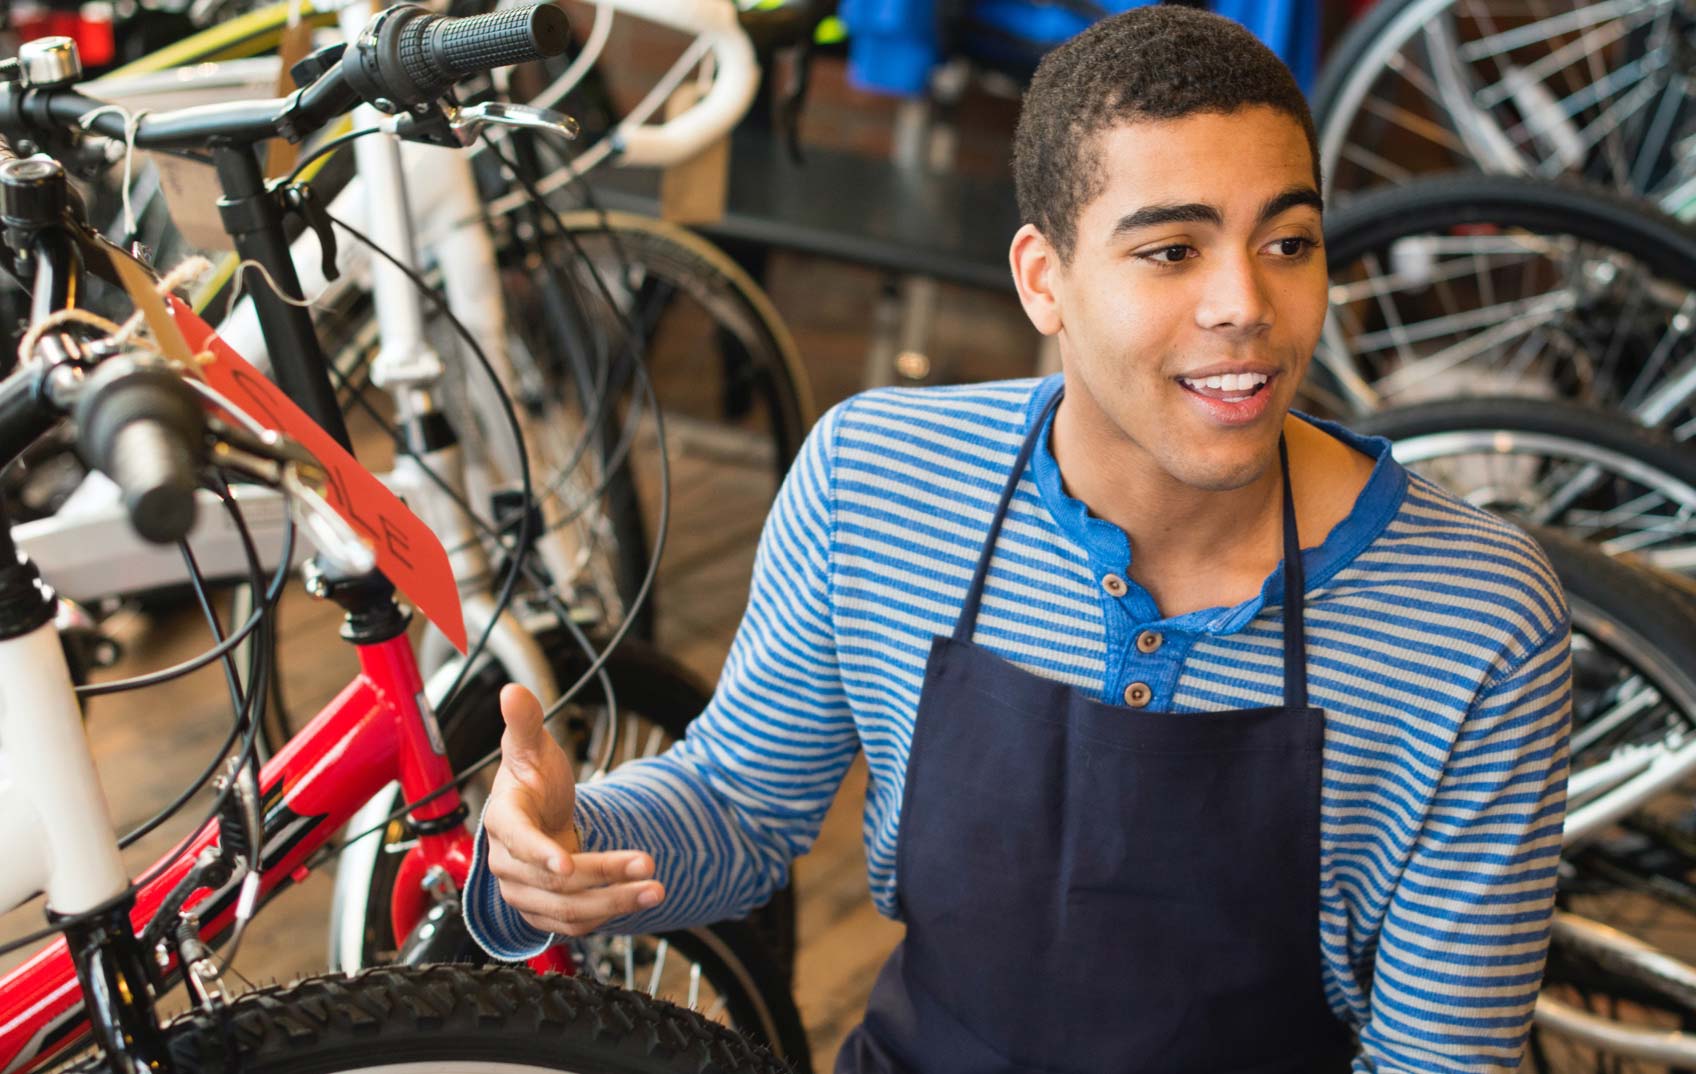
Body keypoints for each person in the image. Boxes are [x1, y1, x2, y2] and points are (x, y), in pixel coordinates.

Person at [465, 6, 1573, 1070]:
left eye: (1287, 241)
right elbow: (742, 806)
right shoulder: (878, 482)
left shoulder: (1473, 614)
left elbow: (1441, 1059)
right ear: (1044, 278)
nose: (1246, 302)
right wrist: (571, 836)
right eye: (1171, 251)